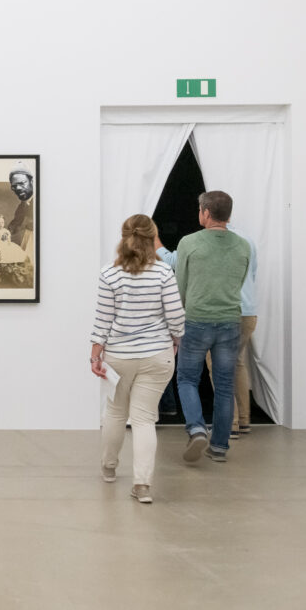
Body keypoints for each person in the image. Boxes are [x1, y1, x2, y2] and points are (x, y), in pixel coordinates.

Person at [91, 215, 185, 504]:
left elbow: (102, 320)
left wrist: (95, 353)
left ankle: (109, 468)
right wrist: (176, 339)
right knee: (144, 419)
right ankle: (142, 486)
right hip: (157, 355)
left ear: (123, 237)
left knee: (116, 413)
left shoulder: (110, 273)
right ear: (152, 239)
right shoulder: (163, 273)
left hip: (119, 356)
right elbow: (177, 317)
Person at [172, 191, 251, 465]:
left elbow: (180, 285)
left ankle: (195, 428)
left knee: (186, 379)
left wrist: (179, 317)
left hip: (197, 319)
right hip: (230, 320)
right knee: (225, 384)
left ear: (205, 212)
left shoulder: (189, 242)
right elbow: (240, 282)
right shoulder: (243, 246)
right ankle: (219, 446)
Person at [158, 223, 258, 437]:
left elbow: (174, 263)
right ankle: (243, 420)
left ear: (206, 212)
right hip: (248, 311)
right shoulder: (246, 239)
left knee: (217, 369)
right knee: (237, 364)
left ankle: (229, 425)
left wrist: (155, 240)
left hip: (222, 312)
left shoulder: (198, 241)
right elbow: (252, 274)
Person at [7, 166, 34, 251]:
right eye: (14, 186)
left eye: (22, 183)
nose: (18, 189)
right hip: (28, 236)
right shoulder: (23, 204)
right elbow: (17, 220)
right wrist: (5, 232)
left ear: (31, 182)